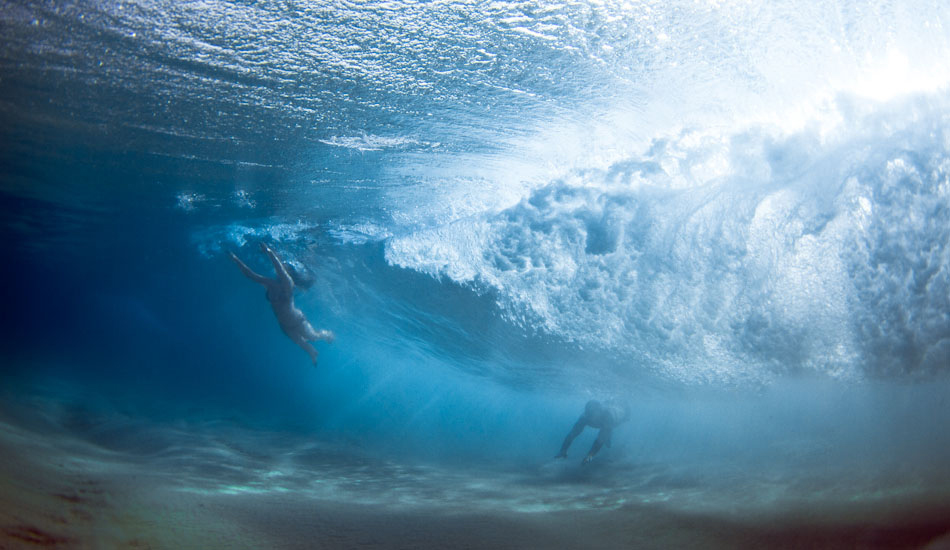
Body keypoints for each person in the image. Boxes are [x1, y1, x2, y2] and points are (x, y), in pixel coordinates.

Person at [230, 243, 334, 365]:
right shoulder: (270, 284)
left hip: (297, 321)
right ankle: (313, 353)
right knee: (301, 344)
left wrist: (269, 252)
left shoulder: (288, 285)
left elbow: (280, 269)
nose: (282, 272)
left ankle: (326, 334)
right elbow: (250, 275)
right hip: (285, 325)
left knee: (313, 337)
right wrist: (235, 259)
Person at [555, 399, 630, 465]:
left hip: (620, 415)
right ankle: (608, 436)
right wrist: (563, 450)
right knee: (606, 433)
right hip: (606, 416)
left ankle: (609, 437)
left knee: (606, 434)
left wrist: (590, 455)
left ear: (599, 411)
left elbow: (600, 439)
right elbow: (572, 434)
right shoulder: (585, 417)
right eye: (588, 413)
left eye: (592, 414)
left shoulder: (608, 416)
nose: (590, 416)